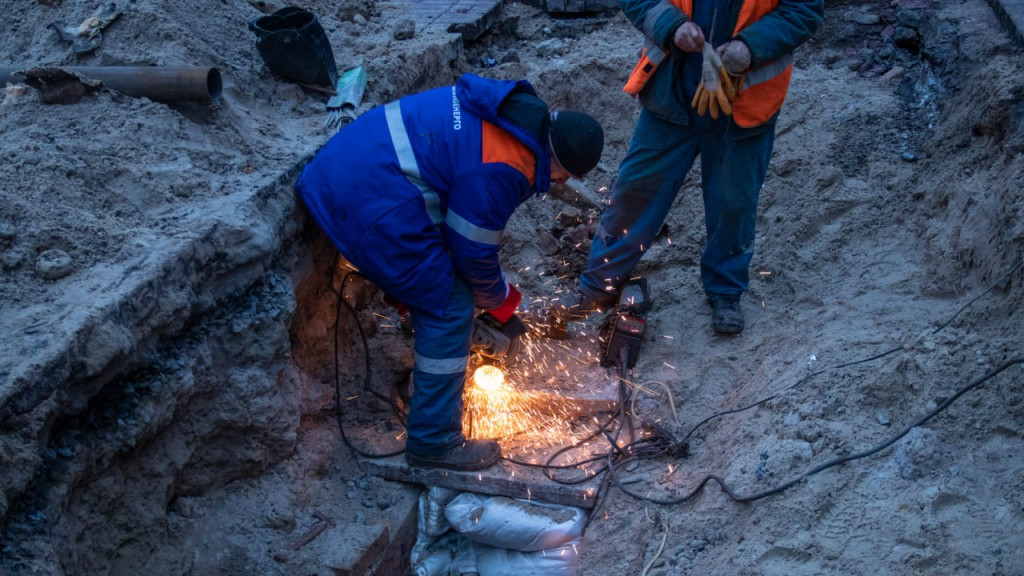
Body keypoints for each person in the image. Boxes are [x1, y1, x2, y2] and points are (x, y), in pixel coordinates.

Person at [295, 73, 604, 471]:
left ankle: (429, 354)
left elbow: (463, 231)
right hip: (365, 201)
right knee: (451, 304)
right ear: (559, 161)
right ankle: (434, 443)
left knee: (441, 276)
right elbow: (474, 254)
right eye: (566, 176)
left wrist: (495, 300)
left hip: (346, 170)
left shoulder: (512, 117)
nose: (560, 183)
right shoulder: (507, 165)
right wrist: (499, 303)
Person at [566, 0, 823, 334]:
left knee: (734, 202)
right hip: (672, 90)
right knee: (636, 190)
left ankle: (726, 291)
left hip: (744, 99)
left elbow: (804, 10)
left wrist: (751, 46)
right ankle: (600, 281)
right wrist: (672, 26)